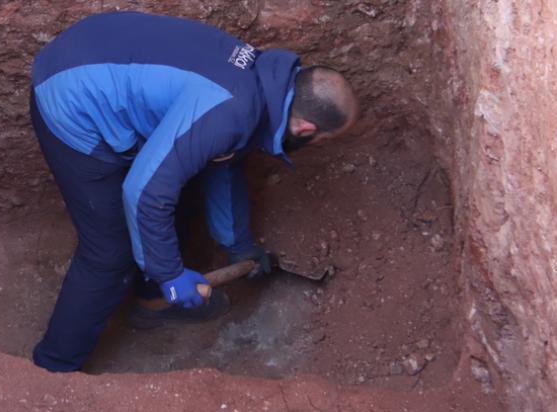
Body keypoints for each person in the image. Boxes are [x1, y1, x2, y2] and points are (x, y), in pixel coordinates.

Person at [28, 11, 360, 372]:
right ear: (306, 128)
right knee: (109, 255)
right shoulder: (231, 111)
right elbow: (144, 192)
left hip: (98, 54)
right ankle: (54, 368)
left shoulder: (262, 86)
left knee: (182, 184)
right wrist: (169, 274)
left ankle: (152, 303)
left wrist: (240, 245)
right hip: (71, 98)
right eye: (323, 141)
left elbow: (223, 163)